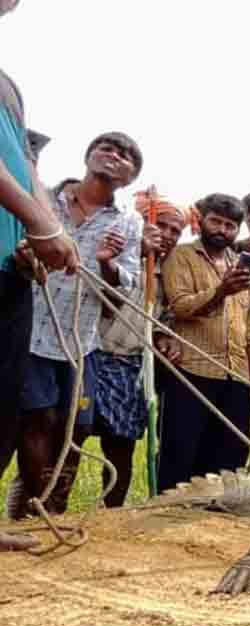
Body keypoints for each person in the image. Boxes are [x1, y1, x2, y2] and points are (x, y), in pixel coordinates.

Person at [16, 132, 144, 516]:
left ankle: (52, 503)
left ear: (132, 175)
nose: (114, 155)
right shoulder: (42, 198)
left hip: (81, 340)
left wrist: (106, 262)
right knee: (36, 418)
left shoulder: (128, 222)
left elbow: (120, 293)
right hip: (30, 329)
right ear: (88, 156)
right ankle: (39, 509)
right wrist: (25, 256)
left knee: (78, 427)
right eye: (106, 147)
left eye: (125, 155)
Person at [0, 0, 80, 548]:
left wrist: (46, 229)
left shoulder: (9, 85)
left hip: (10, 263)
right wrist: (41, 224)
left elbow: (25, 167)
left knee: (3, 404)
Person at [85, 192, 187, 507]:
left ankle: (112, 515)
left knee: (121, 445)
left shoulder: (165, 274)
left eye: (175, 231)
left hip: (130, 363)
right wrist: (134, 253)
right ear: (142, 223)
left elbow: (159, 321)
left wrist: (162, 339)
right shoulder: (110, 252)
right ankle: (43, 509)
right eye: (161, 226)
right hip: (89, 355)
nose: (167, 236)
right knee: (68, 436)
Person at [159, 193, 250, 491]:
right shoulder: (181, 256)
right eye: (215, 221)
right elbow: (179, 306)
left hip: (237, 373)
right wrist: (220, 291)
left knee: (230, 456)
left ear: (237, 230)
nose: (221, 230)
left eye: (230, 225)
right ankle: (169, 518)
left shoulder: (242, 265)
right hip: (192, 370)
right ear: (201, 221)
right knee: (182, 454)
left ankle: (216, 524)